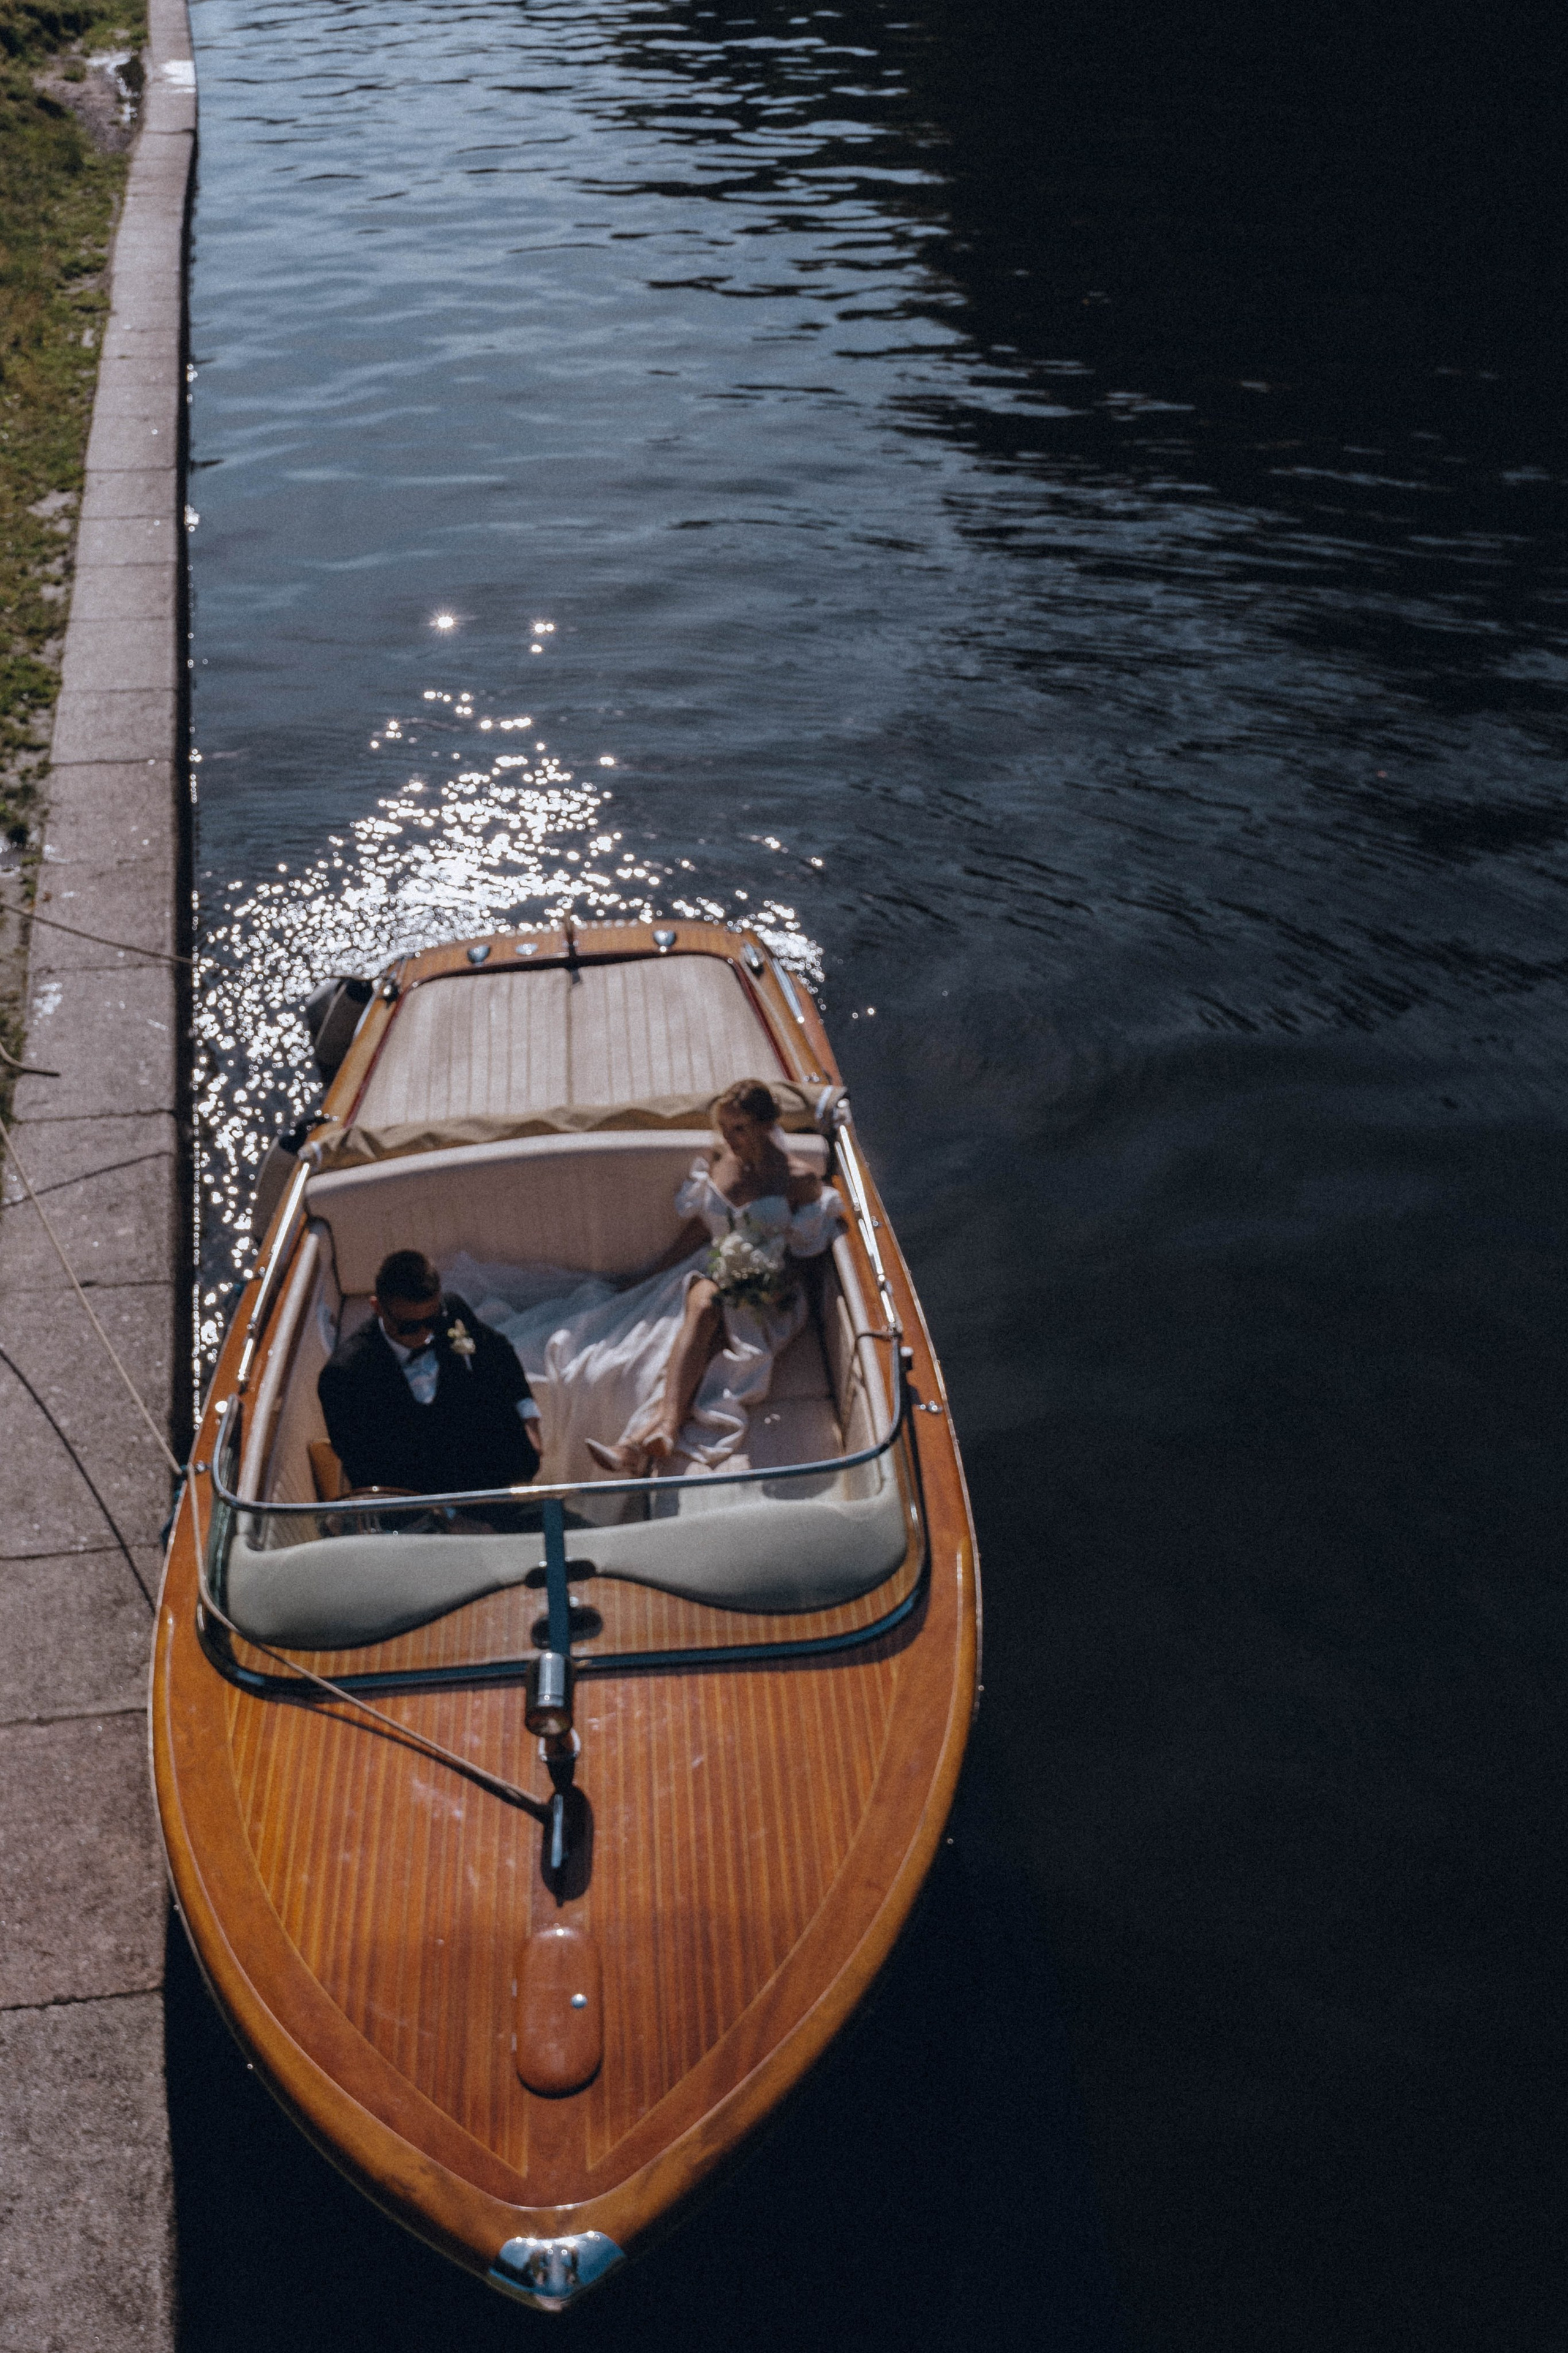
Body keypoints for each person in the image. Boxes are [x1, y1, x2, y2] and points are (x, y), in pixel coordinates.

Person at [461, 1080, 845, 1487]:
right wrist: (651, 1273)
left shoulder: (799, 1180)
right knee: (700, 1310)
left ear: (766, 1125)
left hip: (769, 1290)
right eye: (725, 1127)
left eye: (741, 1128)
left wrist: (772, 1282)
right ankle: (652, 1436)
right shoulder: (721, 1161)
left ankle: (643, 1439)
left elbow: (807, 1251)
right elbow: (702, 1230)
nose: (731, 1138)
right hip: (711, 1269)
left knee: (708, 1317)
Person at [317, 1247, 541, 1498]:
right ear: (377, 1307)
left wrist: (529, 1418)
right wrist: (445, 1513)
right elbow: (365, 1468)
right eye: (409, 1327)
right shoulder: (344, 1377)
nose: (425, 1334)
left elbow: (499, 1350)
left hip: (489, 1477)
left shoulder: (452, 1311)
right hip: (414, 1500)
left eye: (432, 1321)